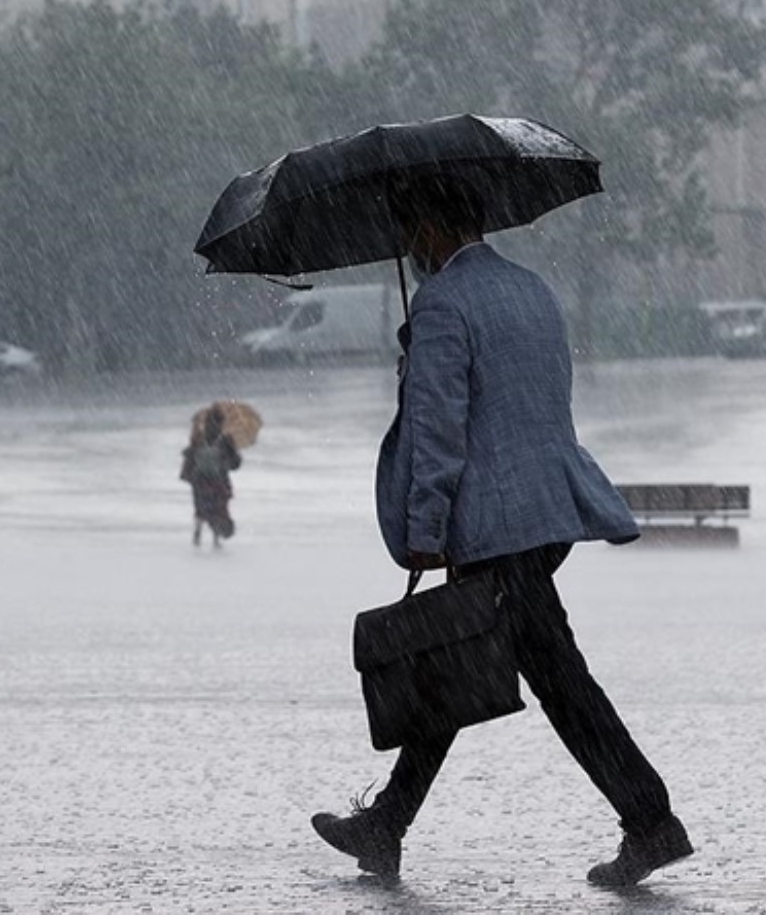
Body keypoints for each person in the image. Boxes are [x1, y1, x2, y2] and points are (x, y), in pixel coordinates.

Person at [310, 175, 692, 887]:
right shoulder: (532, 290)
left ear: (431, 226)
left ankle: (651, 821)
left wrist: (426, 527)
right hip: (545, 513)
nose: (408, 247)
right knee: (457, 661)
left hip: (492, 526)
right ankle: (386, 824)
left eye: (410, 231)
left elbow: (440, 431)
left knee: (553, 679)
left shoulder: (443, 303)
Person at [180, 404, 242, 548]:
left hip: (200, 480)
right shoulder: (225, 440)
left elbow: (190, 456)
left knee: (201, 508)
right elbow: (235, 463)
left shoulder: (199, 438)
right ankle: (216, 538)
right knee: (219, 508)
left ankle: (198, 533)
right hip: (219, 480)